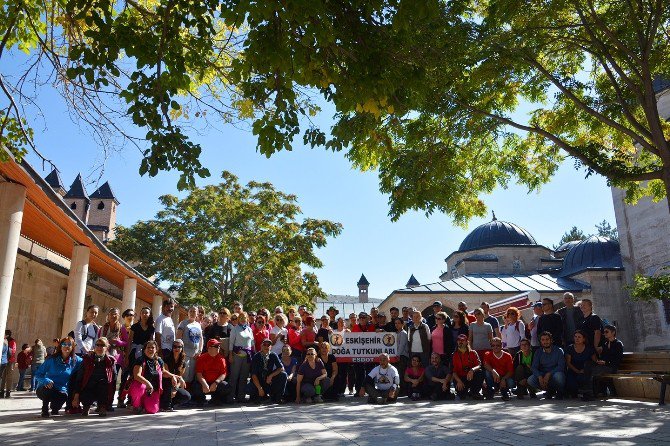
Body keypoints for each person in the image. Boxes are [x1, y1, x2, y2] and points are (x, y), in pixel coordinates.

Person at [34, 336, 82, 417]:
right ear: (60, 346)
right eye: (64, 344)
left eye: (69, 344)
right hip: (45, 388)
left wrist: (92, 353)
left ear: (72, 347)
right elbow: (38, 374)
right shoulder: (51, 359)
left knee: (60, 401)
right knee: (48, 388)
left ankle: (54, 408)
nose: (66, 346)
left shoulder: (76, 360)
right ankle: (45, 409)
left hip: (61, 390)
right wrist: (45, 380)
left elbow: (87, 361)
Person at [72, 337, 116, 417]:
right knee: (88, 383)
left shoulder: (111, 361)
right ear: (94, 347)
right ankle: (86, 406)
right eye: (97, 345)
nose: (99, 347)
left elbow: (113, 381)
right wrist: (76, 396)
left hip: (103, 387)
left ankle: (102, 406)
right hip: (89, 386)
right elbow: (79, 378)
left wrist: (110, 402)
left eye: (102, 345)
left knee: (103, 383)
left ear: (107, 348)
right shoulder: (86, 359)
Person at [129, 340, 167, 414]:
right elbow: (137, 376)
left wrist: (175, 377)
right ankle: (136, 405)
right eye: (148, 347)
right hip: (141, 386)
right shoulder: (140, 360)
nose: (150, 349)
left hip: (153, 390)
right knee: (140, 387)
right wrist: (148, 383)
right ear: (144, 349)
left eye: (153, 347)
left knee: (152, 410)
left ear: (156, 349)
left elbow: (164, 372)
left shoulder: (159, 360)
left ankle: (144, 404)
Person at [191, 339, 232, 406]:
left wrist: (216, 382)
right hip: (205, 382)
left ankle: (216, 398)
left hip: (216, 383)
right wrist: (204, 384)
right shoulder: (202, 358)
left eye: (218, 346)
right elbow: (199, 374)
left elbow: (223, 374)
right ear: (209, 348)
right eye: (216, 346)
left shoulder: (222, 359)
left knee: (226, 386)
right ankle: (201, 399)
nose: (219, 347)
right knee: (195, 387)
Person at [588, 324, 623, 398]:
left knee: (594, 372)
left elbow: (618, 359)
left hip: (613, 367)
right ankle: (596, 393)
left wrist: (606, 362)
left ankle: (592, 394)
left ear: (613, 332)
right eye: (604, 332)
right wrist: (600, 361)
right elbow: (603, 357)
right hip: (605, 366)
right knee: (590, 367)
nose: (604, 333)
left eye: (607, 332)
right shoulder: (605, 344)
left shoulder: (618, 344)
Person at [528, 331, 566, 399]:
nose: (545, 342)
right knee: (531, 380)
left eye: (547, 339)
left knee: (559, 376)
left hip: (555, 374)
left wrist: (549, 374)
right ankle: (549, 390)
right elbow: (534, 367)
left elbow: (561, 366)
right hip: (543, 376)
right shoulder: (538, 352)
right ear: (540, 341)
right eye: (543, 340)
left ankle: (560, 391)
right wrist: (539, 376)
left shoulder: (559, 351)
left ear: (551, 340)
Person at [248, 338, 287, 403]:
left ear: (271, 347)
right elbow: (253, 375)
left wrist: (271, 376)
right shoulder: (256, 357)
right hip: (258, 381)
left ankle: (279, 398)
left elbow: (281, 368)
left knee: (283, 375)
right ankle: (260, 395)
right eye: (264, 345)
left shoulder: (273, 355)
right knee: (251, 392)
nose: (266, 346)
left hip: (268, 380)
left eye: (268, 345)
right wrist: (259, 388)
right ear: (261, 346)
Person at [228, 311, 254, 402]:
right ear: (239, 319)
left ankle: (241, 397)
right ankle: (230, 397)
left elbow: (252, 343)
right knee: (234, 377)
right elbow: (231, 343)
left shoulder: (249, 329)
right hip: (237, 355)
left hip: (247, 356)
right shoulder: (235, 329)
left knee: (244, 377)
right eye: (241, 317)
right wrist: (230, 355)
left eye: (245, 318)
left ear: (247, 319)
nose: (243, 319)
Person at [565, 329, 597, 400]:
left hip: (585, 371)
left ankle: (587, 393)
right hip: (573, 370)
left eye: (579, 337)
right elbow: (568, 363)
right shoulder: (570, 348)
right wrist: (577, 371)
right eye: (575, 336)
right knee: (571, 385)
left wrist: (585, 370)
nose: (577, 339)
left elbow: (595, 362)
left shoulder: (589, 349)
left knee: (583, 379)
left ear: (584, 339)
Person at [161, 339, 191, 411]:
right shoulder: (166, 359)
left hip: (174, 385)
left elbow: (180, 378)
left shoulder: (183, 363)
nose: (177, 348)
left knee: (186, 396)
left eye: (179, 347)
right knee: (168, 382)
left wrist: (176, 389)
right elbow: (164, 373)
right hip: (165, 383)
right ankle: (166, 405)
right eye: (174, 346)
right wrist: (173, 376)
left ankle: (172, 403)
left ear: (182, 348)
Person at [451, 334, 484, 400]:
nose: (460, 342)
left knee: (480, 372)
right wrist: (459, 381)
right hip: (461, 378)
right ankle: (465, 393)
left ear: (466, 342)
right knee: (462, 396)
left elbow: (479, 365)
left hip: (471, 376)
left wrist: (472, 370)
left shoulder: (473, 352)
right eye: (459, 340)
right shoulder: (454, 355)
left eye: (463, 340)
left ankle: (475, 392)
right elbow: (454, 372)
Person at [176, 306, 203, 384]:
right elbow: (178, 339)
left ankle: (189, 394)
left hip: (195, 355)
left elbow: (201, 339)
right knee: (184, 375)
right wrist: (181, 352)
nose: (192, 313)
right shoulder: (183, 323)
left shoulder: (198, 324)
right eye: (190, 311)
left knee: (192, 376)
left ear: (197, 313)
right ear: (188, 313)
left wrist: (199, 351)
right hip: (185, 354)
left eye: (194, 311)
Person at [98, 307, 129, 375]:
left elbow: (127, 342)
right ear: (108, 316)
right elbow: (98, 341)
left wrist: (118, 342)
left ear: (118, 316)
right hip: (103, 355)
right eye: (111, 314)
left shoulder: (121, 328)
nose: (113, 316)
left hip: (116, 357)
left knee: (113, 377)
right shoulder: (102, 328)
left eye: (116, 314)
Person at [394, 317, 409, 395]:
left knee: (402, 373)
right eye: (395, 323)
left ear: (402, 324)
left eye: (398, 323)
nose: (397, 325)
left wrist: (398, 355)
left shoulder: (403, 333)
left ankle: (404, 391)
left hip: (402, 356)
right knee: (399, 374)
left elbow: (402, 345)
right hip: (398, 355)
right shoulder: (396, 333)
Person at [0, 330, 17, 398]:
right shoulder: (6, 341)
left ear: (7, 335)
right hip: (7, 361)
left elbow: (12, 351)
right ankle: (4, 392)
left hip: (8, 361)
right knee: (5, 377)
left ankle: (6, 392)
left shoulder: (11, 341)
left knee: (7, 377)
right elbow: (13, 351)